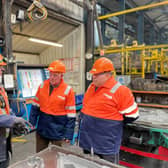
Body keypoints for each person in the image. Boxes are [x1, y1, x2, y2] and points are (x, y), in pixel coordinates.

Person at [79, 57, 139, 164]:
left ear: (108, 74)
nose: (94, 77)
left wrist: (111, 125)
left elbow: (132, 115)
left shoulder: (121, 91)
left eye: (97, 74)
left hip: (106, 146)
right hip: (88, 142)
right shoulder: (91, 88)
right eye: (93, 74)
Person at [29, 60, 76, 153]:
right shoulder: (42, 86)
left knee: (57, 157)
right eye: (50, 74)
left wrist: (68, 134)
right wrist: (31, 123)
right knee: (40, 155)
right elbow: (35, 107)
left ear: (61, 76)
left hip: (58, 132)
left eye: (55, 75)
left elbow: (71, 116)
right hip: (42, 129)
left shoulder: (68, 90)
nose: (51, 78)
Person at [0, 54, 31, 168]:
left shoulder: (1, 88)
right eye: (0, 67)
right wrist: (13, 119)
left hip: (3, 143)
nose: (3, 69)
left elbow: (6, 109)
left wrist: (14, 124)